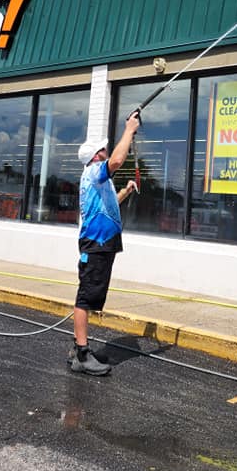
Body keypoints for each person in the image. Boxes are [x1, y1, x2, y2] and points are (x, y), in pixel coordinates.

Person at [69, 110, 140, 376]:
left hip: (103, 244)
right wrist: (129, 129)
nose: (107, 151)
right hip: (96, 244)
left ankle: (78, 347)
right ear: (96, 155)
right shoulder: (93, 172)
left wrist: (126, 191)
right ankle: (81, 355)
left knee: (91, 296)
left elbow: (109, 207)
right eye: (103, 149)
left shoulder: (101, 181)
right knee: (86, 298)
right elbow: (119, 159)